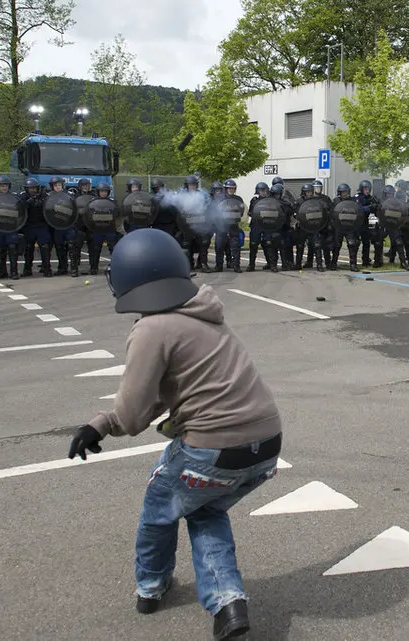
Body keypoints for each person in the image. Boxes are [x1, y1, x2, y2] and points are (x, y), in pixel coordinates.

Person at [66, 228, 284, 641]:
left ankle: (151, 586)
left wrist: (103, 424)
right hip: (267, 445)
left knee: (159, 510)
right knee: (204, 509)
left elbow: (133, 416)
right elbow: (167, 396)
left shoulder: (151, 328)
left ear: (127, 277)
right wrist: (103, 423)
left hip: (213, 448)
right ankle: (228, 603)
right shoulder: (206, 316)